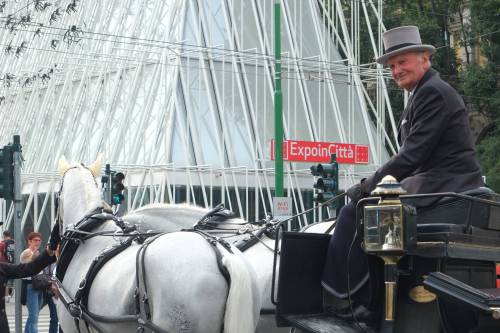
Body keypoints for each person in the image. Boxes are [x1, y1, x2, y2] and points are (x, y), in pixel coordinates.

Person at [322, 25, 483, 319]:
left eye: (403, 62)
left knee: (354, 211)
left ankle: (348, 300)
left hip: (447, 183)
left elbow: (412, 155)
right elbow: (413, 157)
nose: (396, 70)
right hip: (433, 180)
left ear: (425, 59)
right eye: (393, 65)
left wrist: (366, 186)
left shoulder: (433, 93)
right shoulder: (422, 93)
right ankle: (369, 296)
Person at [0, 243, 56, 332]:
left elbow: (28, 269)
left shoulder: (2, 267)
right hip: (30, 286)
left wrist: (48, 252)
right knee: (33, 316)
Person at [21, 232, 46, 333]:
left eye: (39, 240)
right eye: (35, 240)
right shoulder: (27, 252)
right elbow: (28, 265)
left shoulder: (37, 252)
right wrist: (34, 257)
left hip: (38, 285)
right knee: (33, 317)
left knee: (33, 316)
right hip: (30, 286)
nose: (38, 242)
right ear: (29, 241)